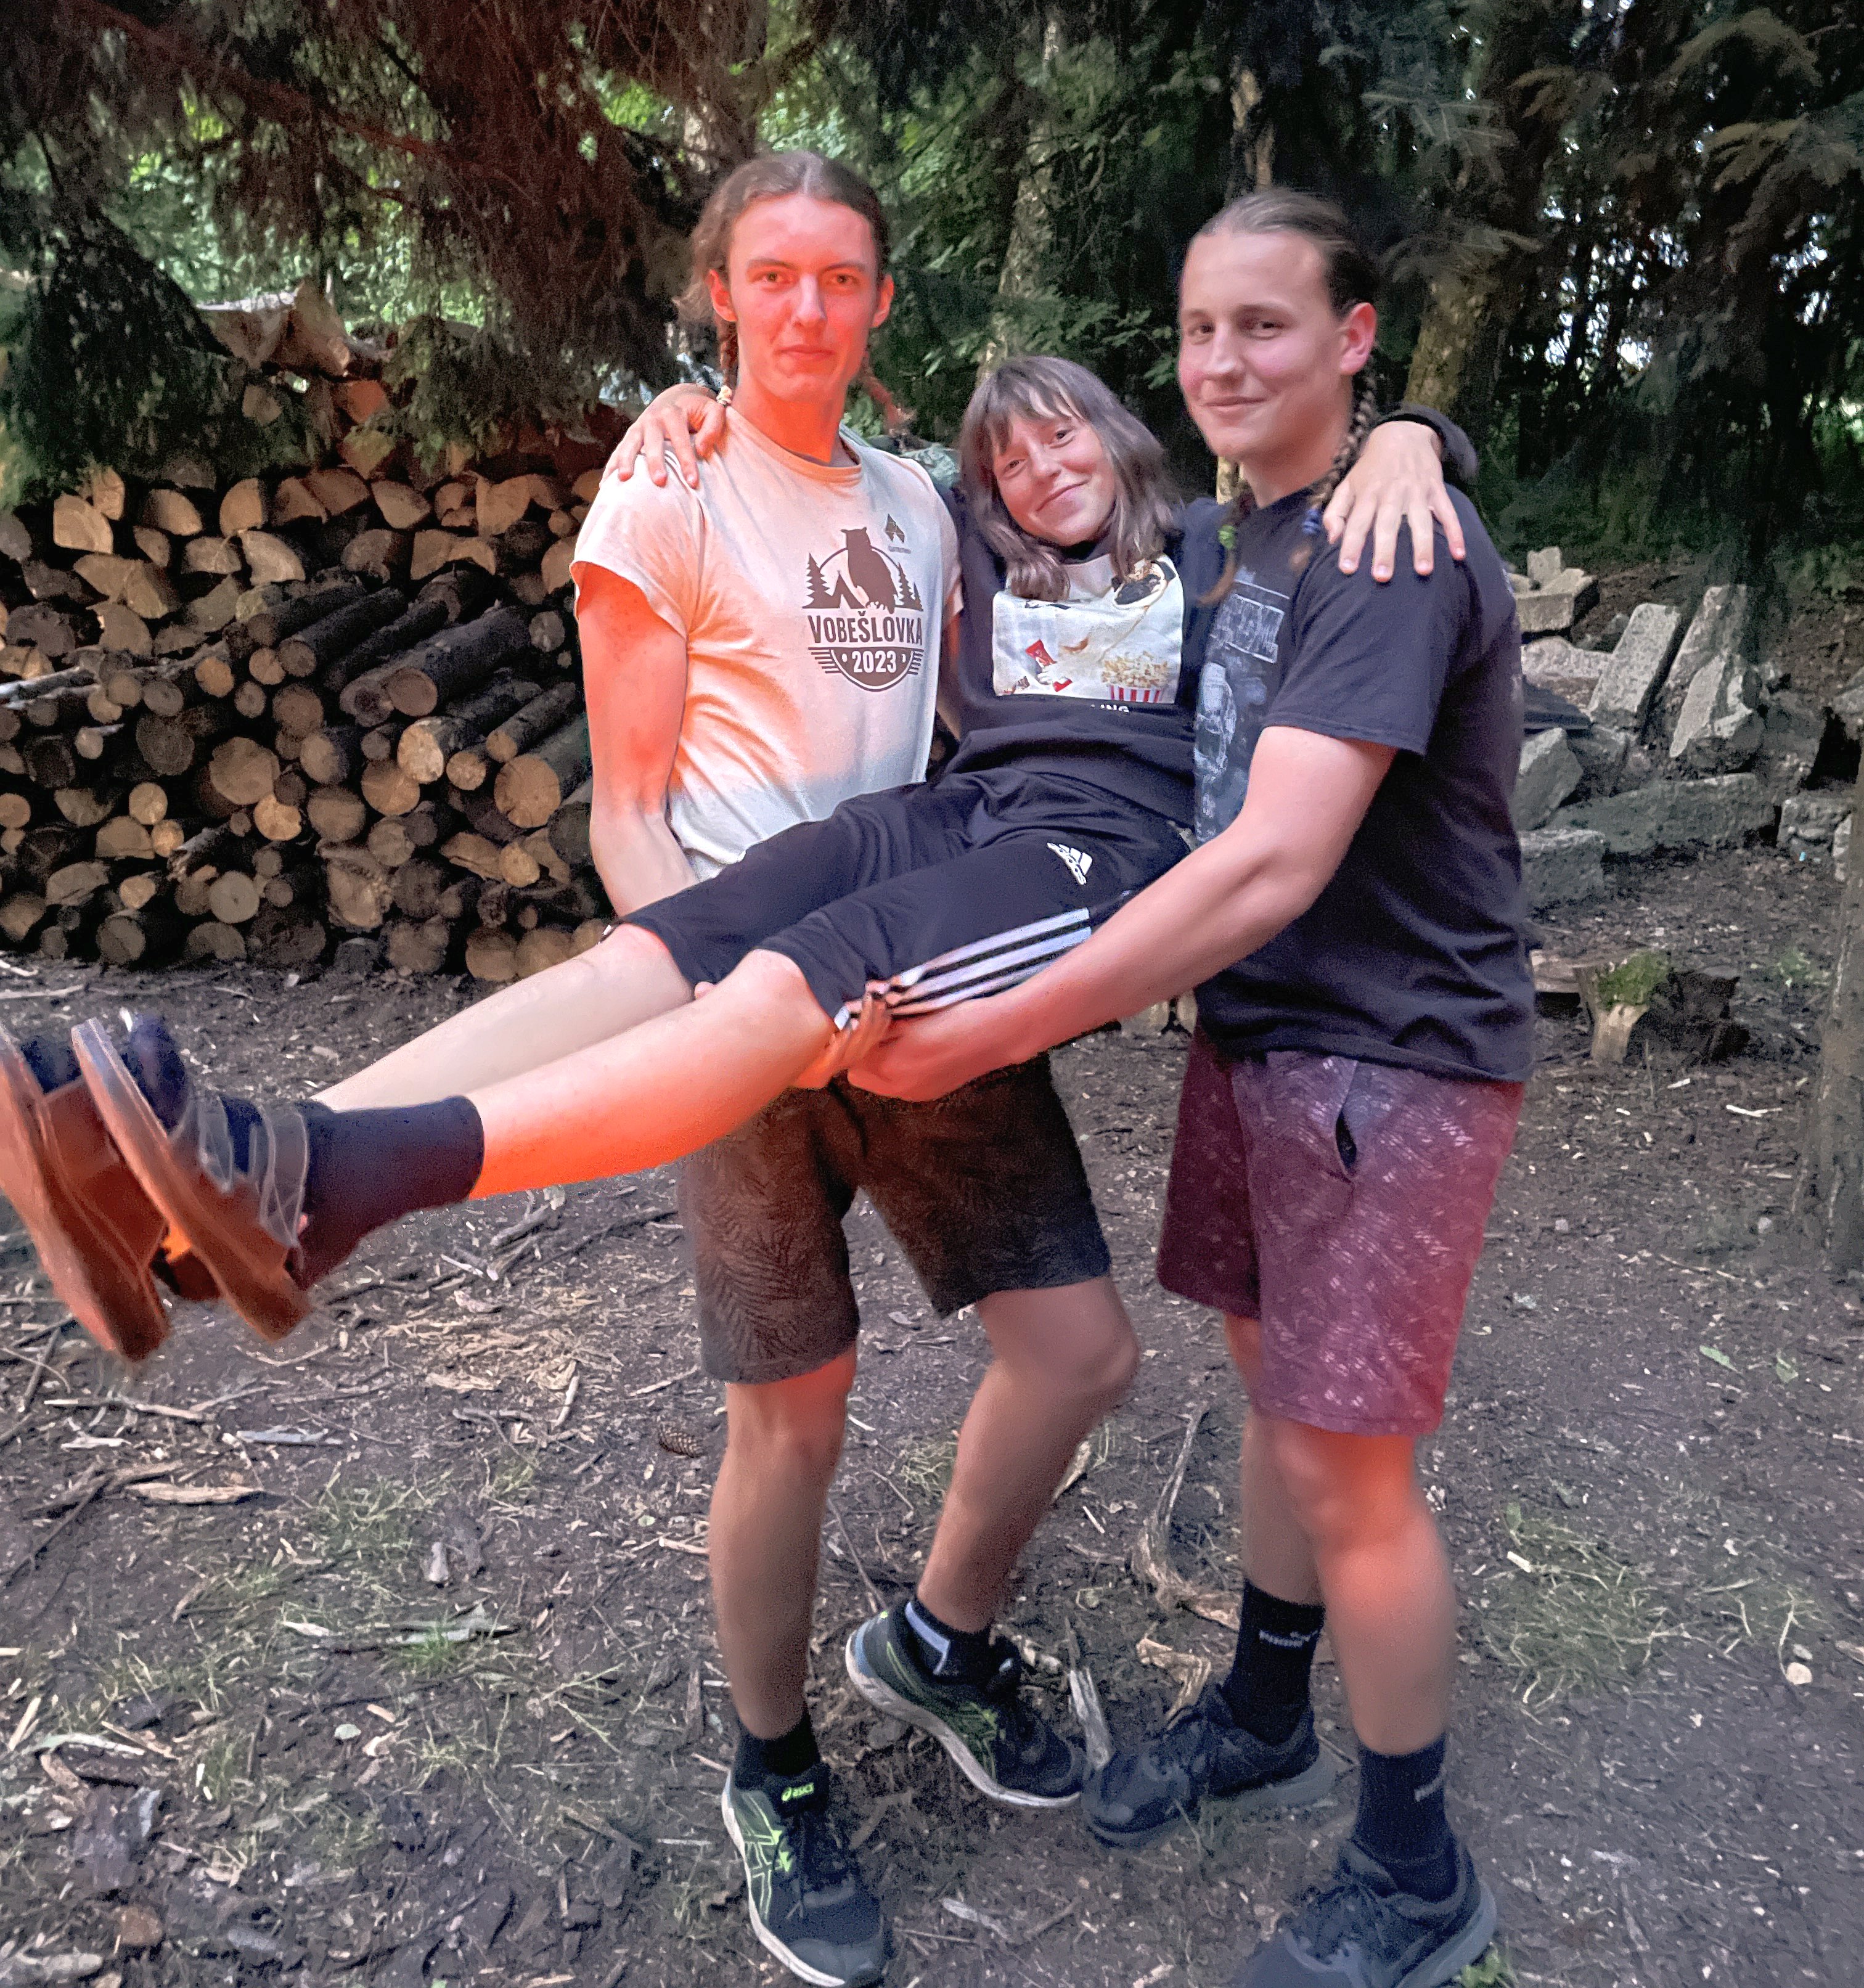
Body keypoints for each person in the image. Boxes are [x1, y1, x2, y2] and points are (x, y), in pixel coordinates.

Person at [0, 155, 1467, 1988]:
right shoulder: (683, 476)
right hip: (779, 955)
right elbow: (627, 802)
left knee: (1078, 1349)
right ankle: (271, 1171)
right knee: (768, 1320)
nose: (807, 309)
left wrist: (1420, 436)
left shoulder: (995, 519)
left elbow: (1308, 499)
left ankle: (930, 1639)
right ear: (720, 294)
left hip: (951, 928)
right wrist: (726, 1016)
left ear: (885, 306)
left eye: (840, 278)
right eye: (772, 277)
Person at [844, 188, 1532, 1988]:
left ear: (1354, 337)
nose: (1222, 360)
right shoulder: (1239, 538)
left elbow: (1273, 861)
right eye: (1200, 328)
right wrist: (712, 417)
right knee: (1274, 1402)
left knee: (1347, 1469)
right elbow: (1006, 508)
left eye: (1267, 326)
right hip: (1262, 1044)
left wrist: (995, 1029)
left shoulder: (1390, 549)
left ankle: (1414, 1872)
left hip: (1389, 1056)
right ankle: (1265, 1708)